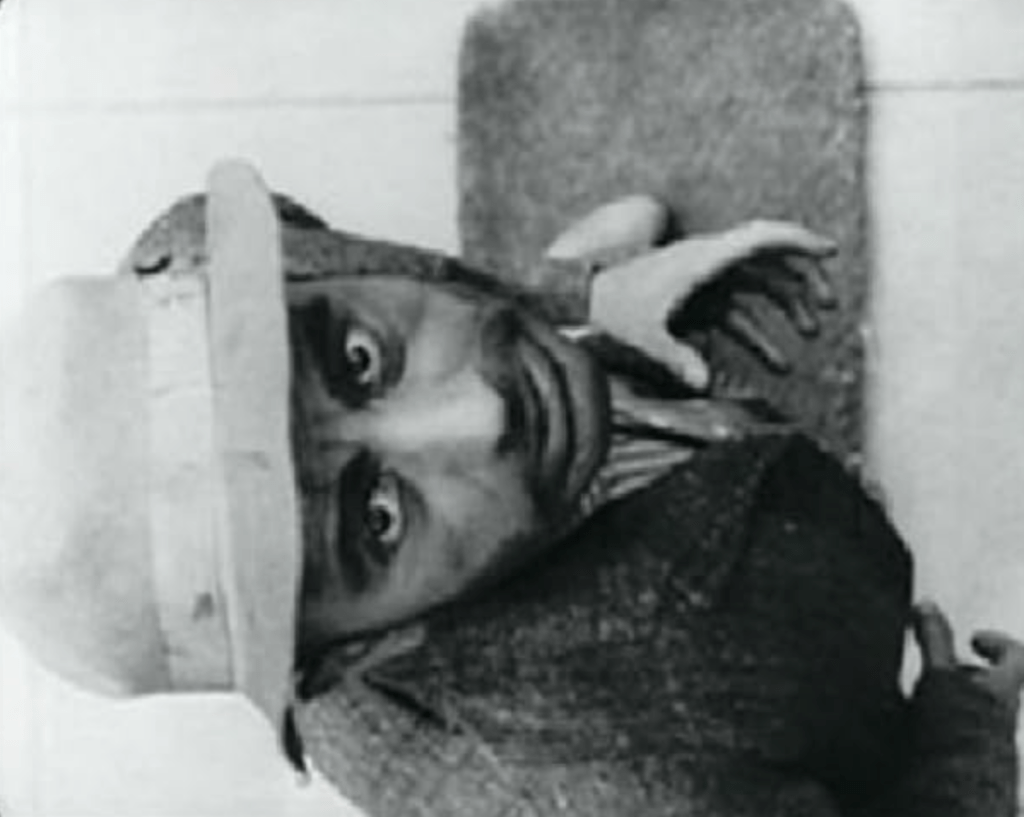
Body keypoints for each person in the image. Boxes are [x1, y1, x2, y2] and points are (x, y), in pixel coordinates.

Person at [119, 183, 1022, 816]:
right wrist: (962, 749)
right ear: (363, 649)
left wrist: (587, 299)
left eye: (356, 358)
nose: (482, 412)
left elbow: (376, 270)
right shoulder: (631, 791)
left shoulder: (197, 263)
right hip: (803, 676)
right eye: (378, 520)